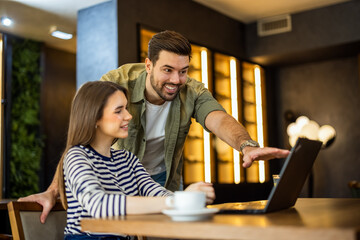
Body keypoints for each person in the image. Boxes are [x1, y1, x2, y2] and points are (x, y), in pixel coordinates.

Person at [19, 30, 289, 223]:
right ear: (148, 65)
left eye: (183, 71)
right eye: (168, 70)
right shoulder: (116, 83)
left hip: (156, 179)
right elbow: (80, 141)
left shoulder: (129, 159)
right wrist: (55, 191)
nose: (177, 79)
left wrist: (246, 145)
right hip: (113, 189)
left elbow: (217, 117)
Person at [58, 80, 215, 239]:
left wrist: (190, 199)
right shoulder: (76, 156)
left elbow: (155, 193)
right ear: (94, 117)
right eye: (118, 111)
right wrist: (178, 201)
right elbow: (98, 205)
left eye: (126, 108)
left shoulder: (127, 159)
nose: (128, 116)